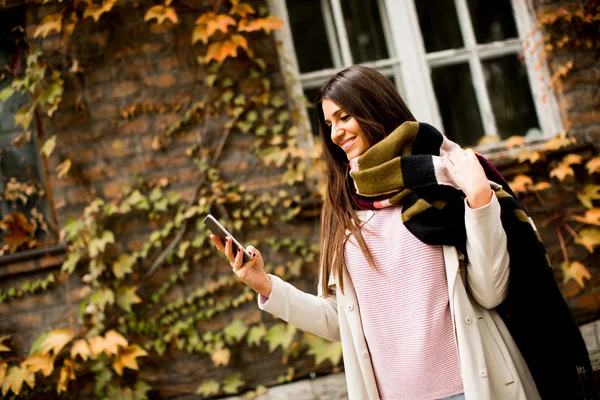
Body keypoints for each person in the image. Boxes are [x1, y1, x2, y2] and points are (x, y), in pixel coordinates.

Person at [210, 66, 595, 400]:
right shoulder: (345, 210)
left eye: (344, 117)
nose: (336, 133)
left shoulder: (450, 178)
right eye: (329, 124)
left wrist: (479, 201)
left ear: (374, 109)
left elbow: (491, 291)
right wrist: (267, 287)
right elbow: (338, 320)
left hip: (473, 387)